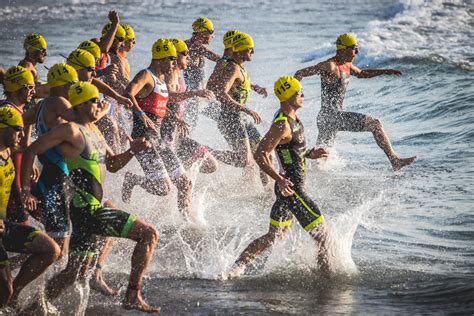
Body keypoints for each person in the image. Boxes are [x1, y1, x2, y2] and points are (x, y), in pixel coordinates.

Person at [20, 82, 160, 312]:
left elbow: (113, 165)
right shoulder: (70, 130)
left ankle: (32, 309)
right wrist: (25, 189)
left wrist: (133, 150)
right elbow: (31, 150)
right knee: (149, 234)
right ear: (82, 104)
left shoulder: (94, 131)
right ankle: (132, 295)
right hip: (88, 210)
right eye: (95, 100)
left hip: (86, 211)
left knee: (73, 272)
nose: (101, 104)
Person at [224, 76, 334, 279]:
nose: (302, 95)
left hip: (288, 188)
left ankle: (236, 268)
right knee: (323, 235)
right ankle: (326, 280)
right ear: (288, 96)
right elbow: (260, 154)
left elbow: (289, 149)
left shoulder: (294, 120)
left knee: (274, 236)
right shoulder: (282, 124)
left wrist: (310, 153)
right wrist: (279, 179)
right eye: (299, 92)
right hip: (292, 189)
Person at [294, 33, 416, 171]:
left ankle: (301, 174)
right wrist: (295, 96)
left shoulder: (347, 65)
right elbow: (300, 73)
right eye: (354, 48)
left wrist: (385, 71)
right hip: (330, 116)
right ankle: (394, 160)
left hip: (327, 118)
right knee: (375, 124)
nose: (356, 53)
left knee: (321, 160)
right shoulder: (329, 65)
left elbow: (362, 73)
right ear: (342, 49)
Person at [122, 39, 196, 216]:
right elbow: (128, 93)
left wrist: (175, 118)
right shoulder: (145, 75)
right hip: (143, 138)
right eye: (171, 59)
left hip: (158, 138)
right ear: (159, 59)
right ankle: (132, 180)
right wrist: (141, 113)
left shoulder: (161, 80)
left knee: (185, 182)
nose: (174, 63)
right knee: (164, 188)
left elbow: (159, 106)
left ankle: (185, 221)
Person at [0, 106, 60, 308]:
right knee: (4, 288)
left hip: (4, 226)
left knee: (50, 249)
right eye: (17, 129)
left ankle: (14, 295)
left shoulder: (9, 151)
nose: (22, 133)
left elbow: (31, 149)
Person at [206, 32, 268, 185]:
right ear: (239, 51)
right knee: (244, 160)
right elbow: (221, 93)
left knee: (264, 154)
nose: (253, 52)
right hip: (230, 119)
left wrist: (254, 87)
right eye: (250, 49)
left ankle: (268, 191)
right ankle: (206, 152)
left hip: (242, 118)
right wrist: (247, 109)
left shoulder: (241, 67)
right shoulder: (231, 66)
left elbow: (239, 83)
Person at [161, 38, 218, 173]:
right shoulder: (166, 77)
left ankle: (182, 176)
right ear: (174, 56)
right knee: (176, 181)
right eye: (185, 54)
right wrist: (195, 93)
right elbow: (164, 100)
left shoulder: (178, 76)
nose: (189, 56)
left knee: (211, 164)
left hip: (179, 137)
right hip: (167, 137)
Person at [0, 66, 36, 225]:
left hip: (21, 166)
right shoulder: (6, 110)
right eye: (29, 87)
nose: (33, 92)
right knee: (20, 220)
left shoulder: (19, 110)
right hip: (12, 169)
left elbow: (24, 143)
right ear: (16, 88)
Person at [183, 17, 221, 128]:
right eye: (211, 32)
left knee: (189, 127)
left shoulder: (188, 45)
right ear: (203, 32)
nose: (213, 36)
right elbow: (219, 59)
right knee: (224, 118)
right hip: (193, 97)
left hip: (197, 96)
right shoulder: (195, 47)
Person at [18, 33, 49, 98]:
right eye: (43, 50)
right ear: (33, 51)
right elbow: (20, 90)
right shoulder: (27, 66)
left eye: (46, 50)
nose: (46, 54)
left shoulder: (29, 65)